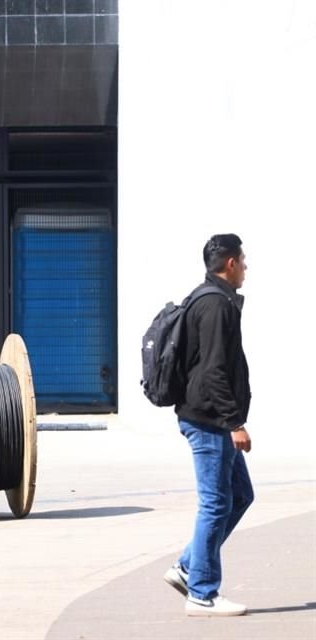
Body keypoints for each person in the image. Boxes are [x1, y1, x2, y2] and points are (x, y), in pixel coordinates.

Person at [163, 234, 253, 617]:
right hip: (209, 420)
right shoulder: (215, 304)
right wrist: (234, 423)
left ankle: (188, 566)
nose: (247, 267)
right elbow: (214, 370)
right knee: (216, 504)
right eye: (244, 261)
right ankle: (202, 593)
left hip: (209, 417)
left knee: (240, 496)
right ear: (230, 263)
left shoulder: (211, 299)